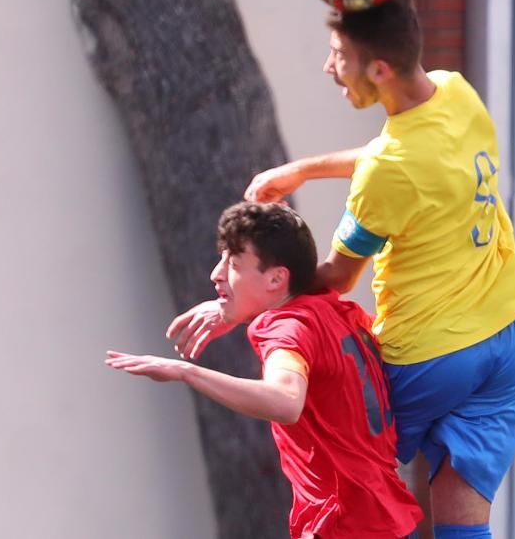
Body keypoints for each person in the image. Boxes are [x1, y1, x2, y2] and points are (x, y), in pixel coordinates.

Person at [170, 0, 515, 539]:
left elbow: (336, 277)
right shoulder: (458, 96)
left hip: (432, 357)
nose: (330, 68)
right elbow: (399, 156)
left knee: (352, 484)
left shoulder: (385, 177)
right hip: (508, 346)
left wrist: (241, 304)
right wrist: (302, 171)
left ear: (380, 68)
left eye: (339, 55)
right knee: (463, 522)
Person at [108, 201, 422, 539]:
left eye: (233, 263)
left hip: (348, 526)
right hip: (390, 517)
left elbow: (286, 400)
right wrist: (233, 306)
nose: (216, 274)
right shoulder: (339, 311)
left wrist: (187, 373)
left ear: (276, 277)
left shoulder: (283, 327)